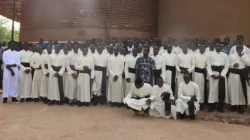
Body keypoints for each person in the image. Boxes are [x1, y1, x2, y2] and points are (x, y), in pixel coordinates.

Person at [207, 42, 229, 113]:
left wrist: (222, 74)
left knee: (221, 91)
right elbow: (208, 66)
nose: (218, 47)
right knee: (213, 91)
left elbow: (226, 66)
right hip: (213, 74)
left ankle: (220, 106)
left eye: (220, 46)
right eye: (217, 46)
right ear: (215, 47)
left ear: (222, 47)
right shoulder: (210, 55)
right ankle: (212, 105)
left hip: (222, 74)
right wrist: (211, 74)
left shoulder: (225, 55)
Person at [228, 44, 250, 114]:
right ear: (236, 48)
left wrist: (242, 56)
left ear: (243, 48)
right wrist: (233, 65)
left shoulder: (245, 55)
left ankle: (241, 106)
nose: (239, 49)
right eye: (238, 48)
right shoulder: (231, 55)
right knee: (233, 91)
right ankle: (233, 105)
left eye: (241, 48)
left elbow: (248, 63)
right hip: (233, 75)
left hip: (242, 75)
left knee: (241, 91)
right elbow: (227, 64)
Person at [193, 43, 208, 109]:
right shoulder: (195, 55)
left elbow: (208, 67)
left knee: (201, 89)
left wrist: (207, 76)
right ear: (199, 48)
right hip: (195, 74)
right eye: (201, 47)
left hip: (202, 74)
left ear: (205, 48)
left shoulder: (207, 56)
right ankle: (195, 102)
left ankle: (201, 102)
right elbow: (193, 65)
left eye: (203, 47)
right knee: (195, 88)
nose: (202, 49)